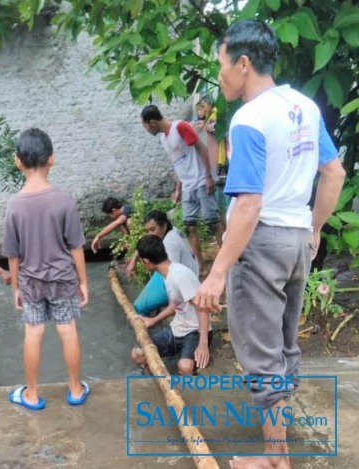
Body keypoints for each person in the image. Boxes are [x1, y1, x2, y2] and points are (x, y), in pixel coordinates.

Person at [194, 20, 346, 469]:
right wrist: (313, 229)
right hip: (297, 240)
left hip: (260, 245)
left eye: (222, 64)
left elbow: (248, 203)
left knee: (261, 356)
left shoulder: (249, 119)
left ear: (243, 64)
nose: (220, 74)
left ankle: (276, 458)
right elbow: (333, 173)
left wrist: (218, 271)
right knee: (284, 347)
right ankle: (279, 442)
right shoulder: (305, 106)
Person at [2, 128, 90, 410]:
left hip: (30, 281)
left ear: (18, 161)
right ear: (51, 159)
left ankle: (32, 394)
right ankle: (76, 389)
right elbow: (76, 246)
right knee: (68, 331)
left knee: (33, 333)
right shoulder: (63, 199)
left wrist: (16, 287)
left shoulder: (14, 205)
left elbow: (13, 255)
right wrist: (83, 282)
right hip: (63, 279)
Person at [141, 104, 225, 273]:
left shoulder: (180, 127)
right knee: (190, 226)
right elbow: (178, 163)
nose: (146, 130)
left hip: (201, 180)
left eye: (145, 126)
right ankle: (200, 266)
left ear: (152, 122)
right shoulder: (164, 139)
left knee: (213, 223)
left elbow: (202, 148)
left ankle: (226, 263)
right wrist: (178, 188)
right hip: (187, 185)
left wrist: (209, 177)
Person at [130, 235, 211, 375]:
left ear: (146, 261)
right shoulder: (167, 274)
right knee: (138, 354)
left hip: (195, 331)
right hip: (177, 327)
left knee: (185, 366)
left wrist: (203, 344)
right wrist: (153, 320)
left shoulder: (179, 275)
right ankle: (159, 384)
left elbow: (201, 307)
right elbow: (176, 305)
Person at [125, 210, 199, 316]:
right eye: (147, 231)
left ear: (164, 225)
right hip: (186, 272)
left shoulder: (169, 243)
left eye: (152, 230)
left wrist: (172, 304)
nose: (149, 234)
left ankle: (147, 327)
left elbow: (171, 276)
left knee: (139, 306)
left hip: (182, 280)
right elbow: (146, 241)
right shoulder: (171, 229)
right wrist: (133, 260)